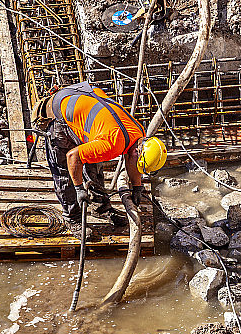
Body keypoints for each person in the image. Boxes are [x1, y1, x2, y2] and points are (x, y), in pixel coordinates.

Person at [31, 81, 167, 240]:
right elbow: (72, 156)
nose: (136, 168)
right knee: (64, 170)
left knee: (94, 160)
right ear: (138, 151)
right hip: (59, 112)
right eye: (138, 166)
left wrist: (137, 186)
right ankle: (72, 217)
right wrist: (79, 188)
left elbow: (131, 158)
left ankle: (100, 208)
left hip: (83, 101)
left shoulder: (138, 132)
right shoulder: (113, 143)